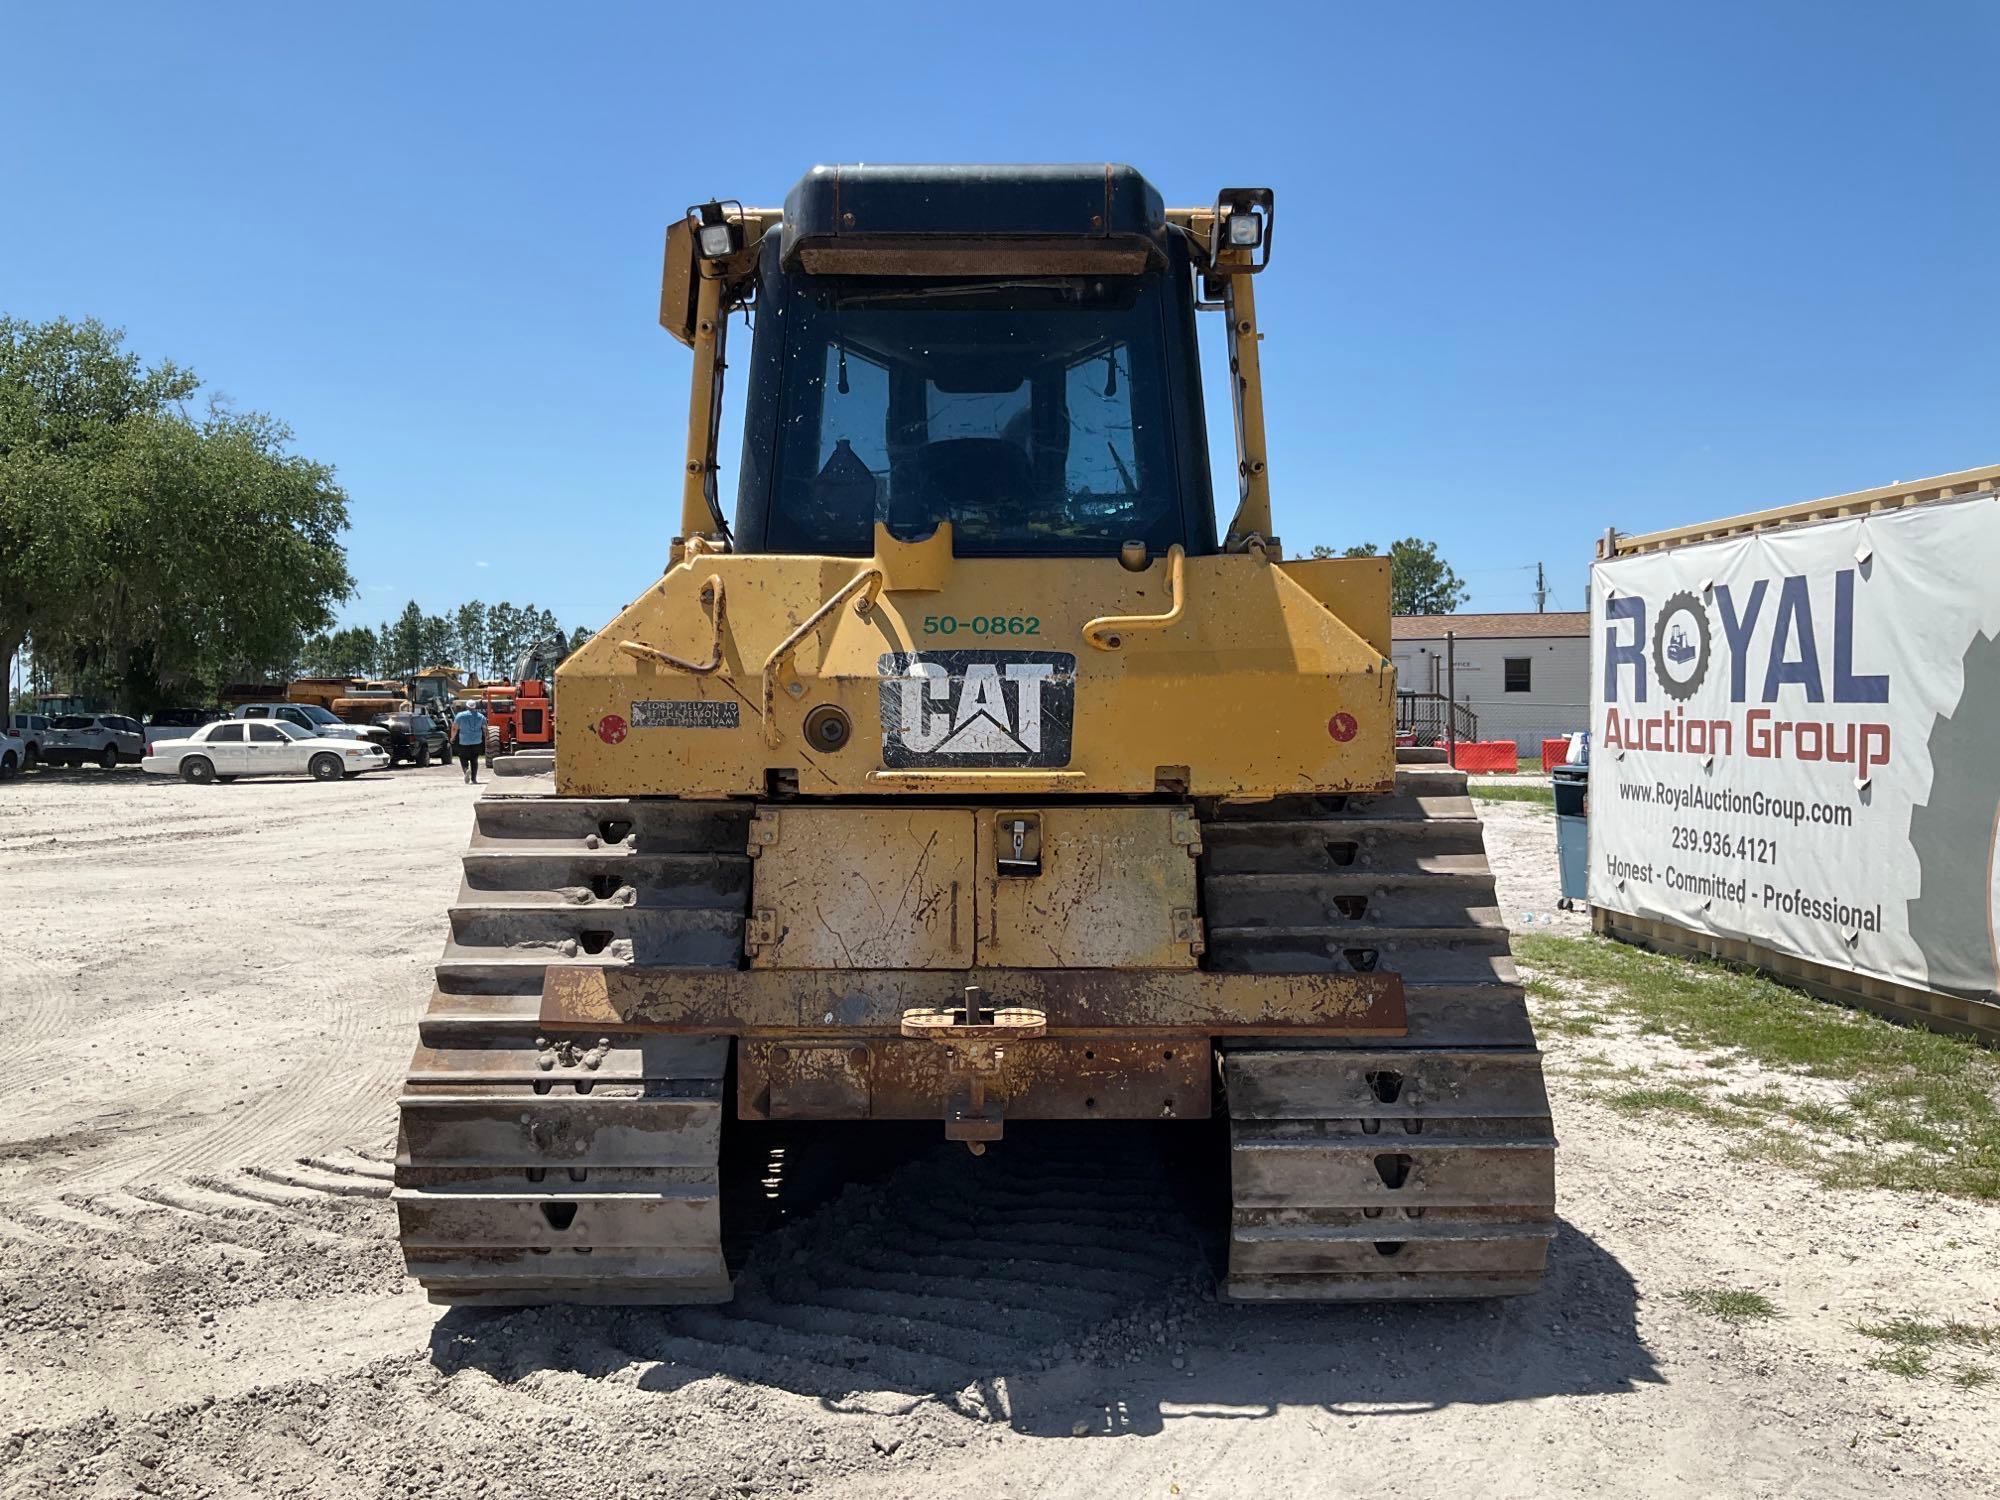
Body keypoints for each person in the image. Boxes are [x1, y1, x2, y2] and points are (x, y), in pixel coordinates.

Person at [451, 702, 488, 783]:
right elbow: (485, 729)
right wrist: (486, 738)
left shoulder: (460, 715)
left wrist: (452, 738)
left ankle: (466, 769)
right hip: (477, 741)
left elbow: (454, 728)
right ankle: (474, 779)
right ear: (475, 707)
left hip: (464, 741)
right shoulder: (481, 716)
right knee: (474, 760)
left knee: (463, 758)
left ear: (467, 707)